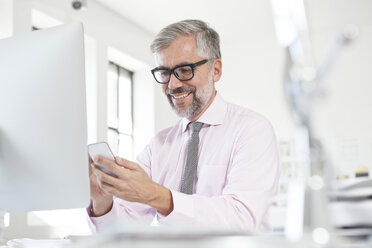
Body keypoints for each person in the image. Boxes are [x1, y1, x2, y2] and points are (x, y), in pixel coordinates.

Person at [88, 19, 280, 232]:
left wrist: (157, 195)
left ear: (215, 70)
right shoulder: (159, 145)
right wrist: (102, 201)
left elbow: (241, 219)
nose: (173, 85)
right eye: (164, 73)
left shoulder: (252, 130)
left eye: (185, 70)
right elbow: (121, 231)